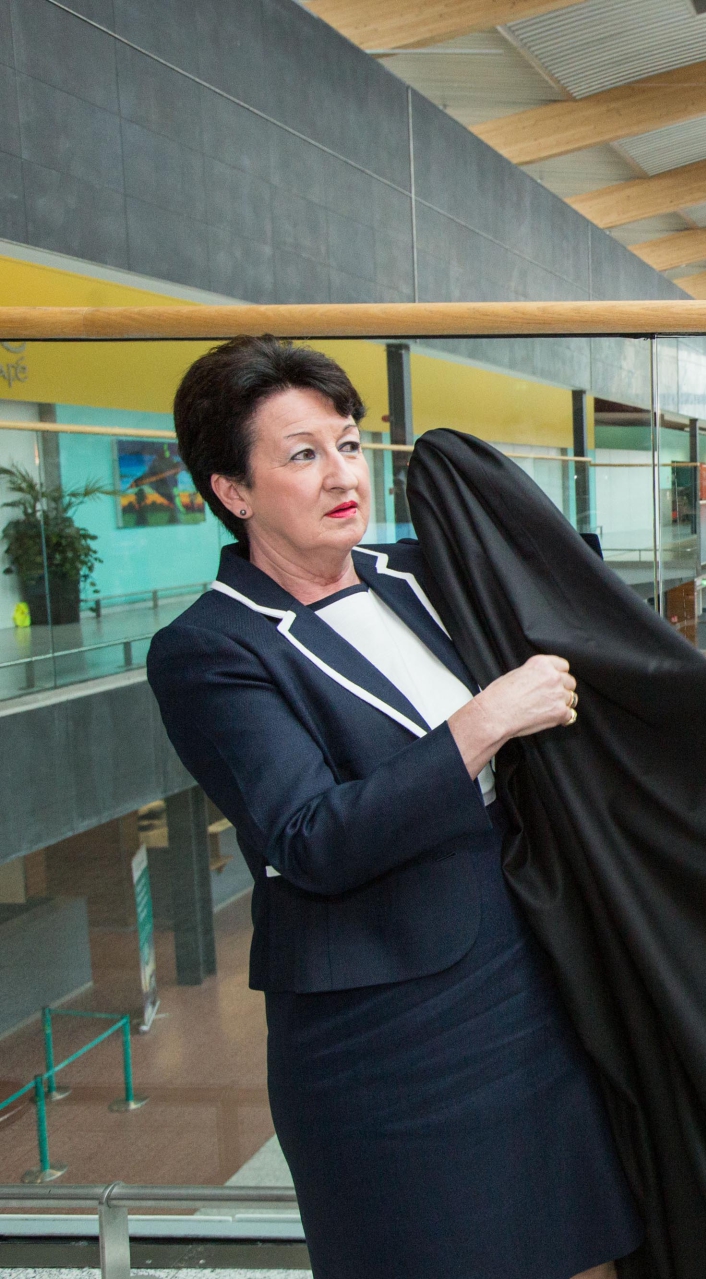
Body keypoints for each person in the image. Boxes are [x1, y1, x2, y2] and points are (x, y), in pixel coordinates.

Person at [146, 337, 642, 1279]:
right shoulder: (213, 647)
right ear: (232, 490)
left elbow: (567, 573)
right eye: (302, 454)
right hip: (384, 1042)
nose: (342, 474)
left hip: (527, 993)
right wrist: (484, 720)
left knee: (588, 1255)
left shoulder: (418, 574)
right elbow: (310, 838)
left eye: (348, 444)